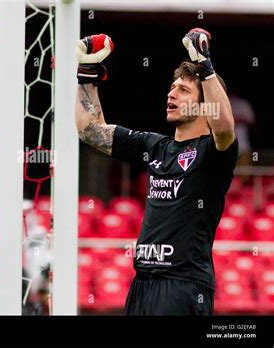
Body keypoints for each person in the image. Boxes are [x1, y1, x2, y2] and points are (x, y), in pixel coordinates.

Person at [75, 29, 238, 315]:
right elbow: (90, 131)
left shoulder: (213, 153)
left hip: (183, 286)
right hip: (142, 285)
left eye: (183, 90)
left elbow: (224, 128)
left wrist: (205, 66)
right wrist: (87, 73)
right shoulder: (154, 146)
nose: (171, 93)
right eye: (172, 87)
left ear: (205, 106)